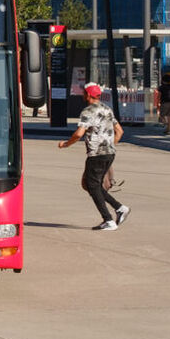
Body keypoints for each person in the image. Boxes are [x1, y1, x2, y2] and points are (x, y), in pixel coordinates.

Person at [59, 83, 130, 231]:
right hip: (109, 153)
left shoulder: (88, 111)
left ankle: (109, 218)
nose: (83, 95)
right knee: (92, 185)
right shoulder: (107, 109)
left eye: (84, 93)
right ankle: (119, 209)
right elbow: (120, 132)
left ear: (88, 95)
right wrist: (109, 146)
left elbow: (79, 133)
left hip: (97, 154)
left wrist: (66, 144)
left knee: (92, 186)